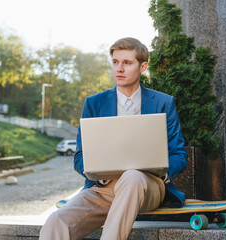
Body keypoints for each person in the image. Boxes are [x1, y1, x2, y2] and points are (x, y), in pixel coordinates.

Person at [39, 37, 188, 240]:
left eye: (127, 63)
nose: (119, 68)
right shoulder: (94, 104)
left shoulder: (163, 102)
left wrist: (163, 172)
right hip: (103, 188)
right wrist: (98, 172)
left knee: (133, 177)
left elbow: (179, 154)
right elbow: (80, 156)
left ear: (142, 66)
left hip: (147, 185)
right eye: (115, 62)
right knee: (57, 222)